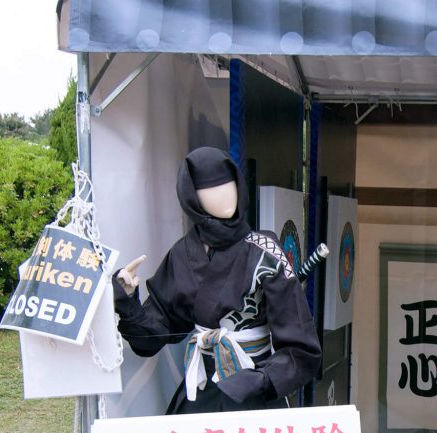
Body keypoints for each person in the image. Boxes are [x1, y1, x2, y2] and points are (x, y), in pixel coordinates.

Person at [112, 147, 321, 414]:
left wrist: (263, 379)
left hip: (253, 387)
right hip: (201, 389)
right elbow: (154, 336)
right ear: (191, 197)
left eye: (228, 183)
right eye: (210, 188)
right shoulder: (182, 254)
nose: (224, 194)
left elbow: (301, 346)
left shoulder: (266, 252)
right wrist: (129, 302)